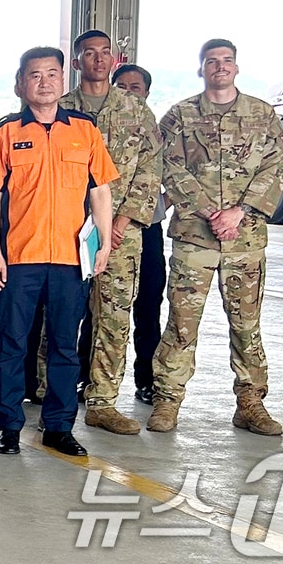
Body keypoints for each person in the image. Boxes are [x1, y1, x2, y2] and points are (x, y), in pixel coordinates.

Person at [0, 46, 118, 458]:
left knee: (63, 344)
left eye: (52, 74)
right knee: (12, 343)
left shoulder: (85, 130)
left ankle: (58, 426)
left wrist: (105, 242)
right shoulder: (6, 133)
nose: (44, 82)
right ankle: (8, 424)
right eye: (35, 75)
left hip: (69, 259)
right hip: (20, 256)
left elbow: (100, 191)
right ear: (21, 84)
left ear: (63, 79)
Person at [147, 40, 283, 436]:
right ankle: (167, 401)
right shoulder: (180, 115)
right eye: (212, 62)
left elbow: (277, 165)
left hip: (245, 240)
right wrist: (211, 210)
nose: (220, 67)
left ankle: (251, 404)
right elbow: (166, 165)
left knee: (247, 325)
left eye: (226, 61)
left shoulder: (262, 115)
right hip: (195, 237)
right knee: (181, 324)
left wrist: (239, 212)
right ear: (202, 69)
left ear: (236, 68)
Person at [60, 31, 161, 436]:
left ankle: (103, 401)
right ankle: (58, 395)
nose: (98, 60)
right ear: (76, 61)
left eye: (105, 53)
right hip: (64, 230)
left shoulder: (135, 109)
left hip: (121, 233)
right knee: (62, 318)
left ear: (114, 58)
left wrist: (119, 223)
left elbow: (150, 170)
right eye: (90, 53)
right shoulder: (60, 107)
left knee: (114, 318)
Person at [111, 63, 168, 405]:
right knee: (98, 309)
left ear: (147, 92)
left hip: (146, 228)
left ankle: (147, 379)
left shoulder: (155, 129)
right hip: (105, 229)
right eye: (122, 86)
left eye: (136, 87)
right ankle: (89, 378)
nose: (129, 92)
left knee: (148, 305)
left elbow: (171, 175)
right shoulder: (104, 124)